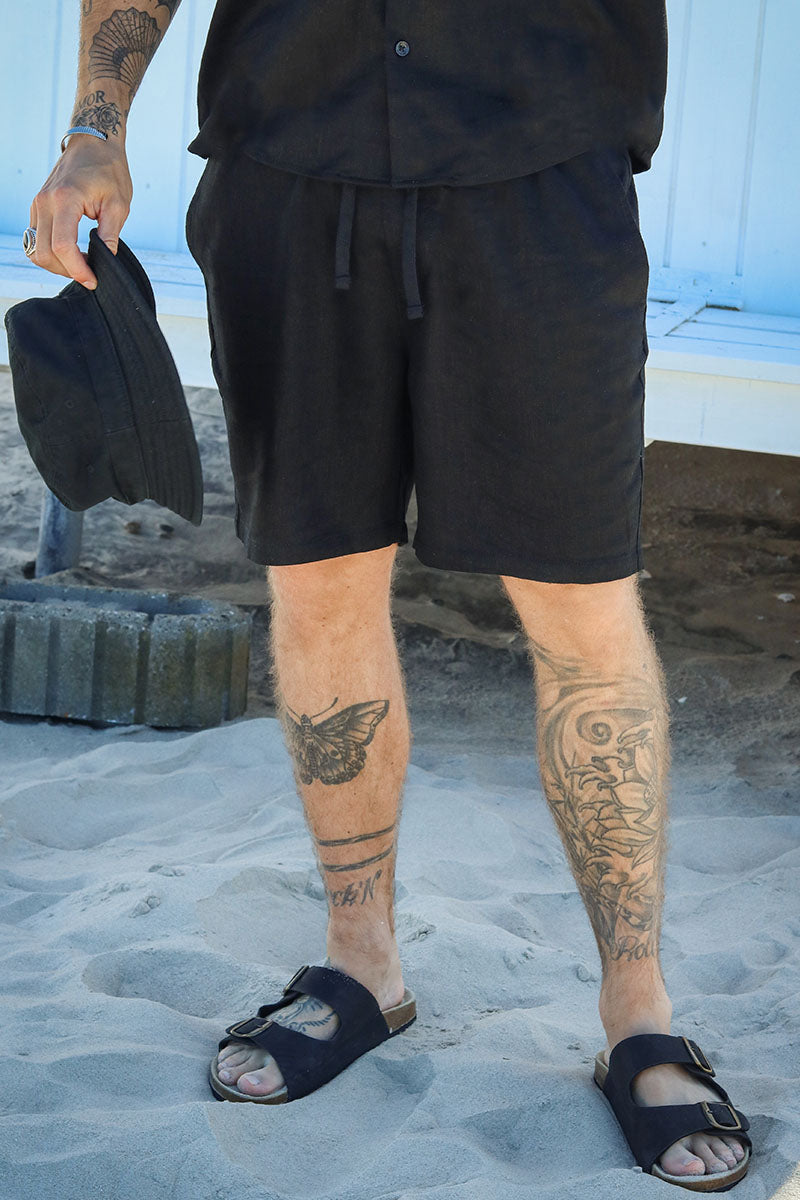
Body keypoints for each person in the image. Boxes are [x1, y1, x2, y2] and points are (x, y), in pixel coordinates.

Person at [26, 1, 751, 1188]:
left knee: (580, 607)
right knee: (317, 590)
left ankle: (638, 1013)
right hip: (288, 170)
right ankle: (361, 966)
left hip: (537, 178)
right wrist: (93, 128)